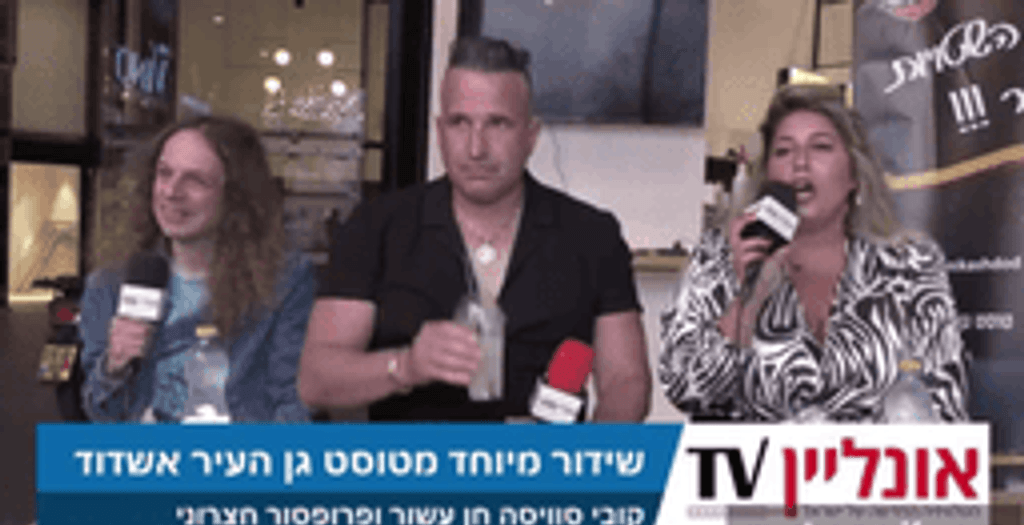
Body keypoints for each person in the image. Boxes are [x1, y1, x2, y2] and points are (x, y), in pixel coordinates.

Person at [299, 36, 651, 421]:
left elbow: (626, 381)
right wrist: (407, 365)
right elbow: (316, 380)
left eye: (497, 124)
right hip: (414, 459)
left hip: (546, 459)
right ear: (439, 132)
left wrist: (592, 456)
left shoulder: (592, 236)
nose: (476, 148)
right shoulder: (375, 227)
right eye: (459, 123)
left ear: (530, 136)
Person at [74, 116, 315, 525]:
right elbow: (102, 414)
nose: (172, 192)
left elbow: (292, 398)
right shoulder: (112, 283)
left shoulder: (284, 282)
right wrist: (115, 365)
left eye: (195, 181)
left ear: (235, 196)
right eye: (164, 174)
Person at [659, 84, 968, 423]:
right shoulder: (718, 258)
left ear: (854, 174)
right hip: (755, 457)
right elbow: (685, 390)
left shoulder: (911, 266)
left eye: (820, 147)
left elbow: (946, 407)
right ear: (767, 175)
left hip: (874, 457)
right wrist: (746, 298)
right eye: (783, 151)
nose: (800, 163)